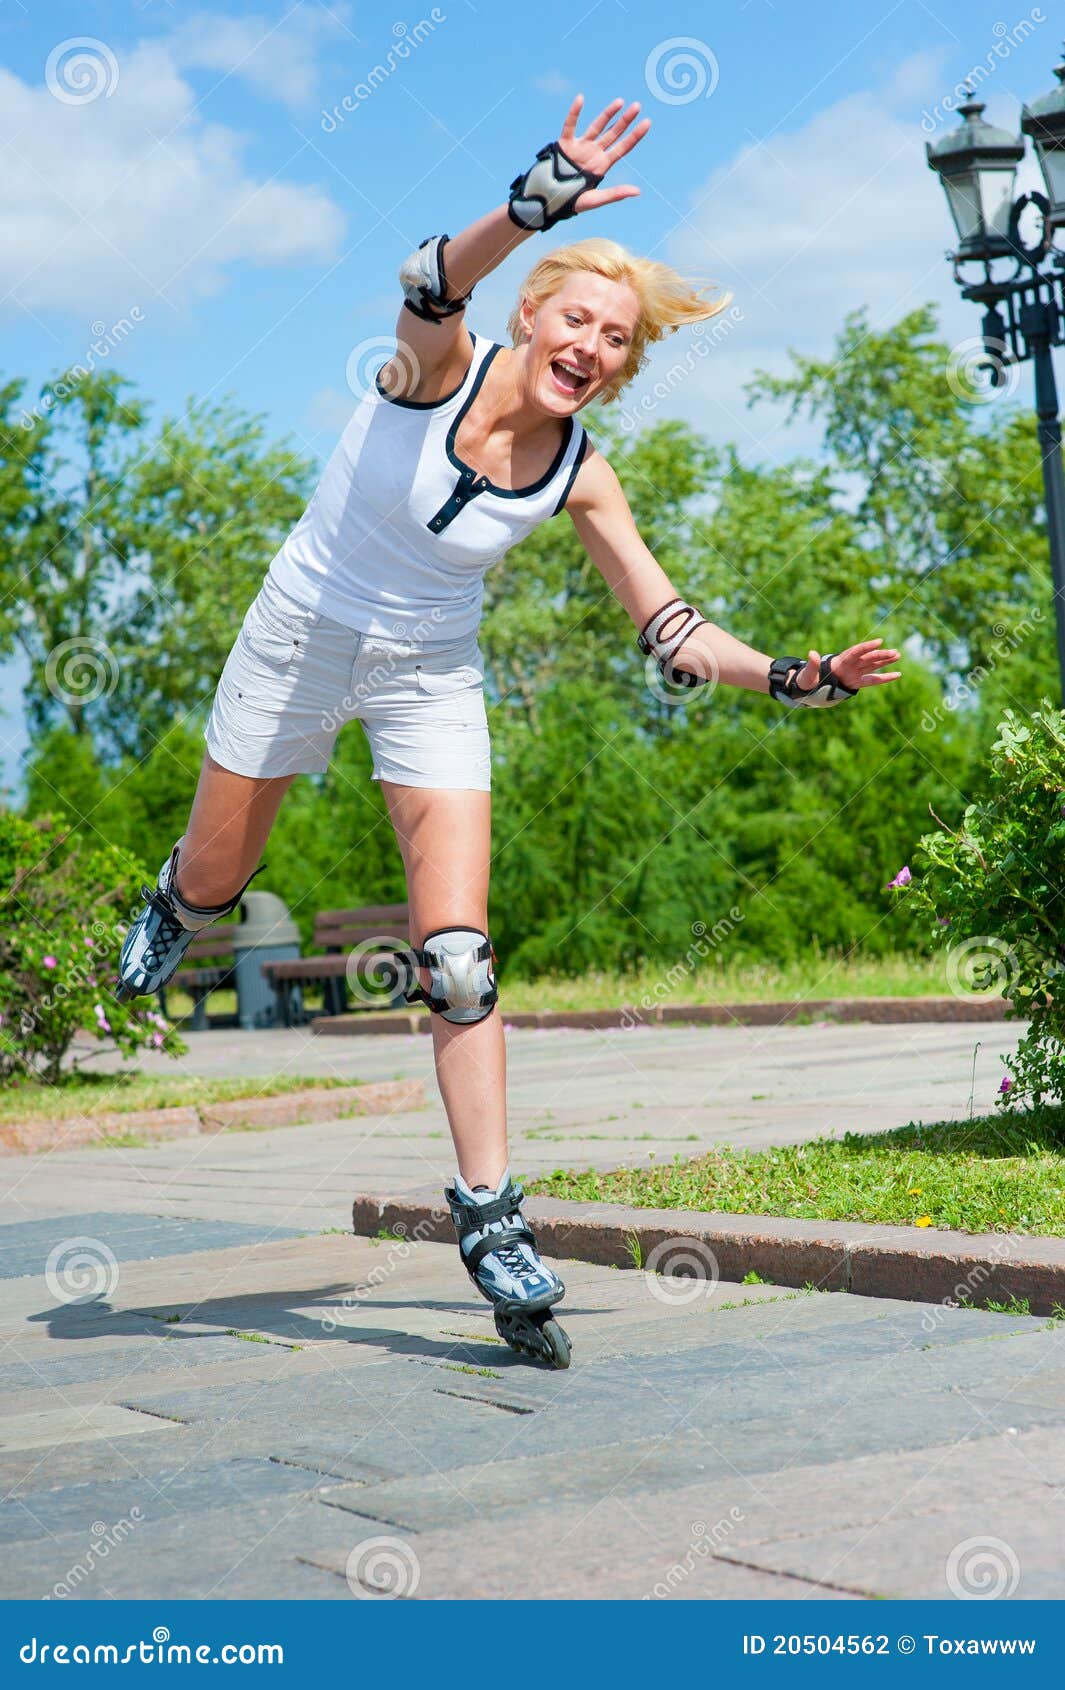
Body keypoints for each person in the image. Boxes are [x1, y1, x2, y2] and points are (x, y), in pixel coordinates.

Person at [116, 94, 902, 1366]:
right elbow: (428, 278)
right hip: (300, 635)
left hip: (431, 670)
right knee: (217, 877)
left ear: (623, 368)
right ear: (530, 315)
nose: (589, 343)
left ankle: (490, 1217)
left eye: (617, 338)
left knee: (463, 958)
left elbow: (674, 630)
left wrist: (801, 675)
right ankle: (180, 899)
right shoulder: (435, 368)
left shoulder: (581, 469)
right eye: (574, 315)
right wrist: (535, 196)